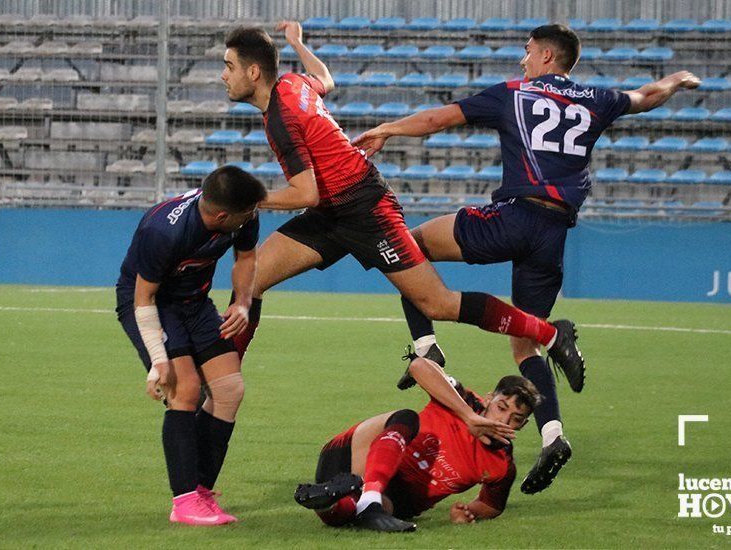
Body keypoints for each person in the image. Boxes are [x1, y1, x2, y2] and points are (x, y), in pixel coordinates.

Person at [352, 24, 701, 494]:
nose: (522, 60)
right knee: (523, 346)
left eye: (527, 52)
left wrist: (388, 128)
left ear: (546, 54)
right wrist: (677, 78)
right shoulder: (598, 97)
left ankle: (426, 348)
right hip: (554, 231)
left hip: (514, 217)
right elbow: (647, 95)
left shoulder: (515, 93)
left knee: (409, 245)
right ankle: (553, 435)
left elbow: (439, 120)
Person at [219, 22, 585, 384]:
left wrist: (249, 200)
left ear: (254, 72)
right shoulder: (292, 83)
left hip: (366, 209)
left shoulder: (282, 117)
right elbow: (325, 77)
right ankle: (223, 378)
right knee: (249, 281)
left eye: (229, 66)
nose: (223, 76)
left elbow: (304, 193)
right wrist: (297, 43)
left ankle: (550, 335)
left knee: (437, 303)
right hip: (328, 213)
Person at [115, 166, 266, 525]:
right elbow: (143, 297)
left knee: (230, 390)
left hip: (195, 303)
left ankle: (200, 492)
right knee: (185, 390)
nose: (252, 218)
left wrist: (242, 302)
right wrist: (157, 359)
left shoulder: (244, 216)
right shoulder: (163, 232)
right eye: (246, 214)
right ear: (221, 215)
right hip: (152, 305)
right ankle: (183, 503)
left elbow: (246, 259)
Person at [293, 352, 541, 532]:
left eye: (516, 419)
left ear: (522, 425)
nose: (504, 420)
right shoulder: (461, 400)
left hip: (390, 500)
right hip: (352, 454)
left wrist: (468, 511)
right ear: (489, 399)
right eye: (501, 407)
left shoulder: (502, 466)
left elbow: (492, 505)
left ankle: (332, 502)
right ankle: (368, 498)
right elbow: (419, 365)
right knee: (406, 417)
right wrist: (468, 415)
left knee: (352, 510)